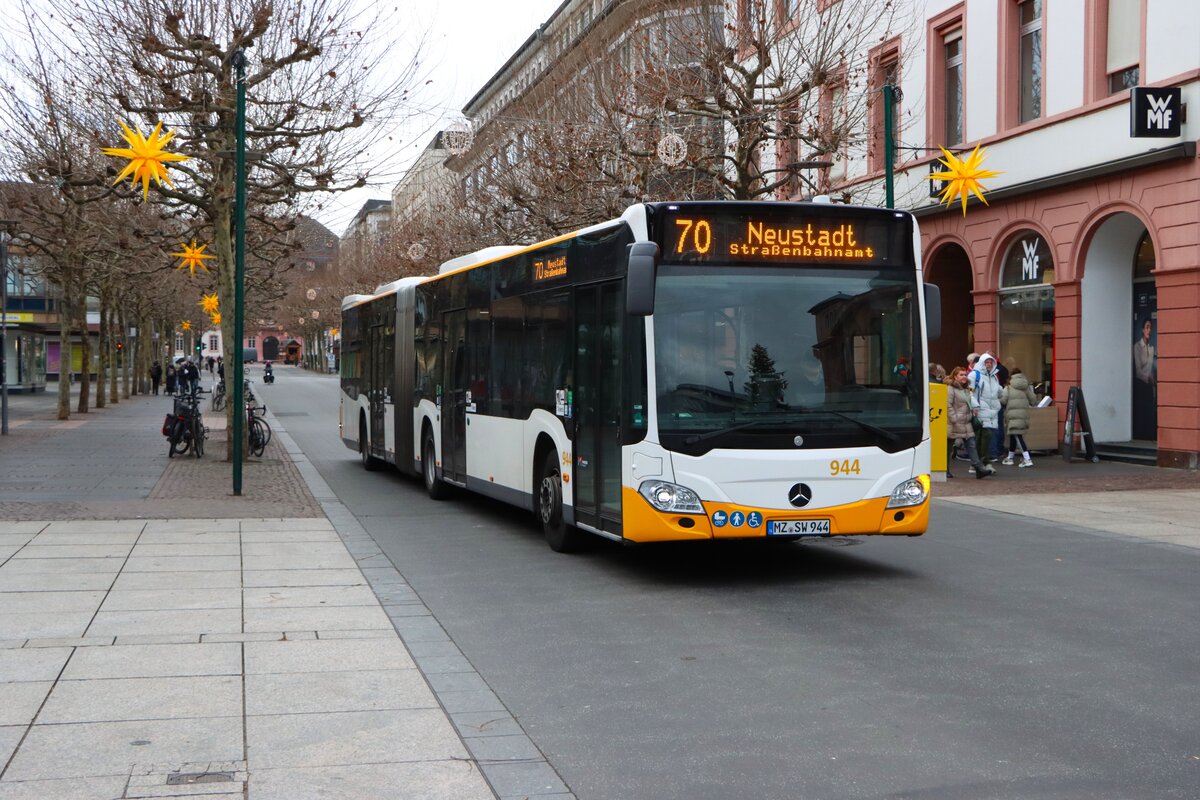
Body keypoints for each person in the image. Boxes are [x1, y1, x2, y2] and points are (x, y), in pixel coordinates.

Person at [945, 367, 994, 479]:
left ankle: (978, 468)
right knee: (948, 447)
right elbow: (948, 405)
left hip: (966, 422)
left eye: (965, 374)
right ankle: (945, 469)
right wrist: (954, 418)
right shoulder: (950, 388)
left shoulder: (966, 388)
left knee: (971, 445)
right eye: (961, 375)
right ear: (955, 376)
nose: (964, 377)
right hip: (954, 423)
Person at [969, 353, 1003, 464]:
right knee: (984, 435)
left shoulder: (993, 376)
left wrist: (1000, 391)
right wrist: (975, 406)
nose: (989, 365)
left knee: (985, 437)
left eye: (991, 362)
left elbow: (997, 393)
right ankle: (983, 462)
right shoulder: (974, 375)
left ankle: (978, 463)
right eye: (986, 362)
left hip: (992, 411)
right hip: (981, 410)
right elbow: (969, 392)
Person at [1000, 367, 1038, 467]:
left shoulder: (1008, 387)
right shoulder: (1026, 387)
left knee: (1017, 436)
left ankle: (1027, 459)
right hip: (1023, 415)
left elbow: (1003, 401)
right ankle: (1010, 458)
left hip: (1012, 415)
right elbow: (1033, 401)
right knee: (1014, 435)